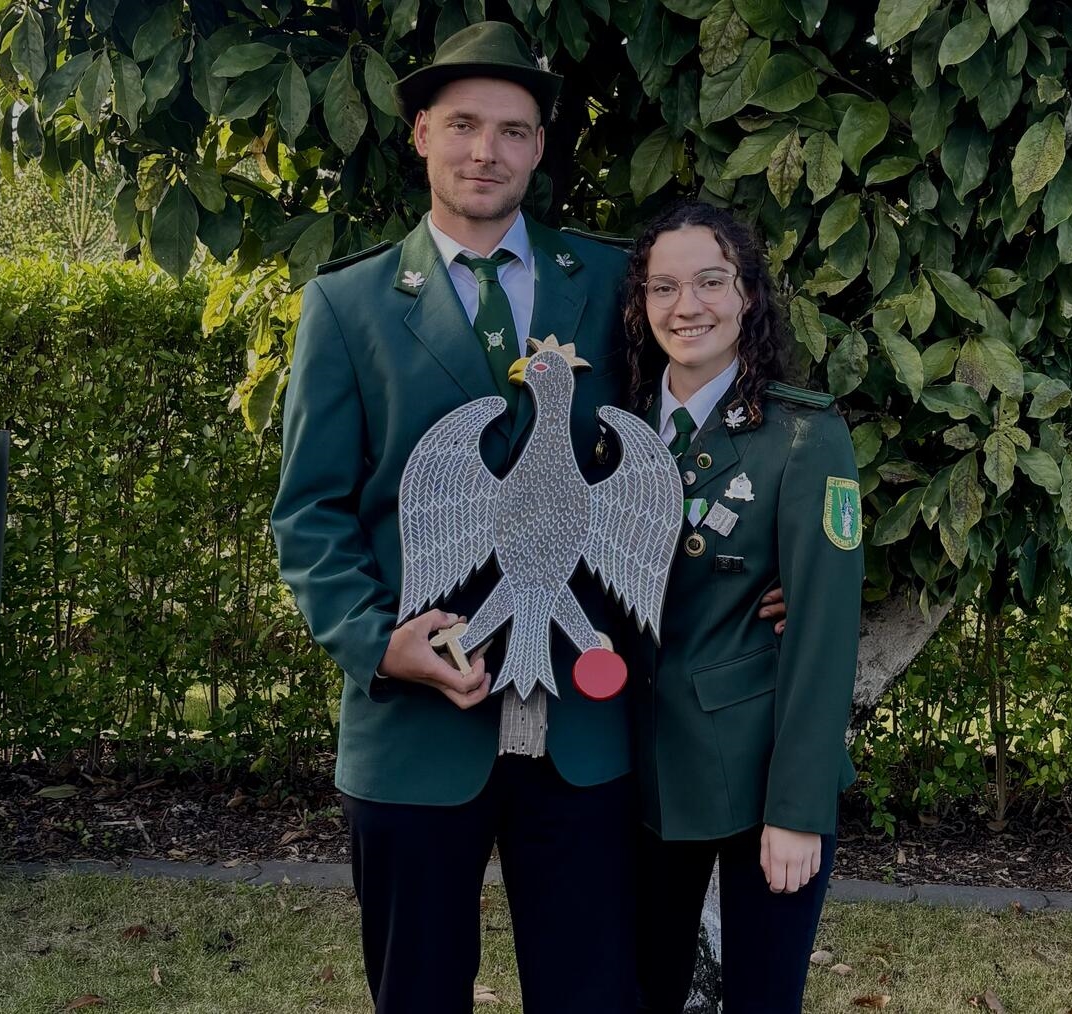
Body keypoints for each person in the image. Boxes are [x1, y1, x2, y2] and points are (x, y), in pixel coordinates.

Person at [270, 22, 783, 1014]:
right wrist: (382, 643)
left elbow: (700, 437)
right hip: (417, 732)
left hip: (587, 731)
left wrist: (760, 572)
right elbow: (311, 515)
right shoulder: (349, 306)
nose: (484, 151)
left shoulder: (614, 287)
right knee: (418, 997)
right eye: (462, 124)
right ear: (420, 131)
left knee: (594, 996)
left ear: (540, 148)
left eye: (511, 130)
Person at [623, 201, 864, 1014]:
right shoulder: (612, 431)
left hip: (760, 776)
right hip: (633, 774)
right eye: (663, 287)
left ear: (749, 295)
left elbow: (823, 635)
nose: (686, 306)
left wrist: (797, 810)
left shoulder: (802, 435)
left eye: (710, 281)